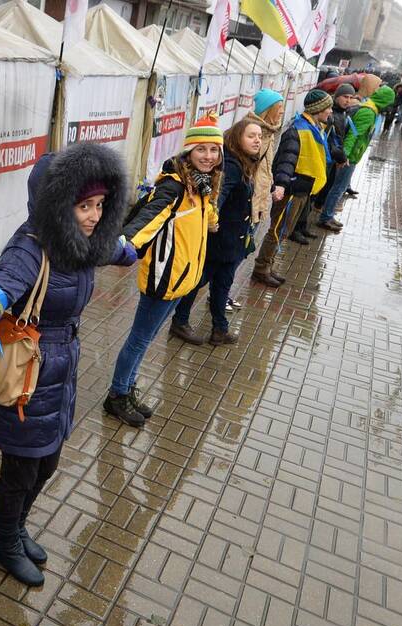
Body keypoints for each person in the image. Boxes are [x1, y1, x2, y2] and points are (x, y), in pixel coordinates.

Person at [0, 143, 137, 586]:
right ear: (57, 207)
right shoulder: (30, 250)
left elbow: (112, 249)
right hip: (25, 376)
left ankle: (17, 529)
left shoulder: (83, 241)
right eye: (84, 206)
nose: (95, 215)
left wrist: (129, 251)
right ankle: (5, 544)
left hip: (61, 371)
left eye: (100, 205)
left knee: (49, 463)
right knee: (20, 471)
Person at [104, 114, 222, 428]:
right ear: (188, 153)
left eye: (214, 150)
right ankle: (117, 396)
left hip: (183, 280)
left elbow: (204, 213)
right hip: (164, 279)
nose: (208, 156)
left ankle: (126, 389)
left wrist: (212, 219)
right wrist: (122, 246)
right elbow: (148, 219)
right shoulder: (173, 187)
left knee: (149, 337)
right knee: (139, 340)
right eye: (201, 150)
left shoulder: (201, 185)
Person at [169, 118, 263, 346]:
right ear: (237, 137)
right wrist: (211, 219)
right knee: (198, 282)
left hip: (232, 242)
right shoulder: (231, 165)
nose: (257, 140)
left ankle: (219, 328)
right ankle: (180, 321)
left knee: (221, 285)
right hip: (220, 242)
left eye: (259, 136)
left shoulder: (242, 162)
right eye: (251, 135)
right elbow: (217, 196)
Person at [252, 90, 333, 285]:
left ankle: (268, 265)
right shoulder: (298, 129)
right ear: (317, 109)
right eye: (327, 107)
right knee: (277, 230)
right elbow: (286, 160)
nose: (330, 111)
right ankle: (261, 268)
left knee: (284, 230)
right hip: (292, 189)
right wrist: (281, 184)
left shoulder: (314, 127)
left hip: (304, 187)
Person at [245, 89, 287, 288]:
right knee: (236, 251)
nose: (282, 112)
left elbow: (264, 169)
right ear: (267, 109)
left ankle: (221, 295)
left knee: (243, 250)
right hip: (248, 203)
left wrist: (272, 187)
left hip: (258, 201)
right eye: (279, 108)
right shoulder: (253, 134)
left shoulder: (268, 133)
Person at [314, 84, 359, 232]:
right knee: (319, 188)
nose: (348, 100)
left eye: (351, 97)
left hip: (334, 158)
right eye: (345, 96)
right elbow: (327, 139)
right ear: (337, 96)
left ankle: (322, 212)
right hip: (327, 158)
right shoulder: (331, 114)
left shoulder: (344, 113)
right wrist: (339, 155)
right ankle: (312, 218)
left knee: (328, 185)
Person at [343, 86, 395, 182]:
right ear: (384, 101)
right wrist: (345, 155)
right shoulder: (369, 112)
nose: (389, 107)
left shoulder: (372, 109)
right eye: (389, 103)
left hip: (353, 155)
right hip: (350, 157)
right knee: (338, 189)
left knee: (340, 186)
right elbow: (353, 134)